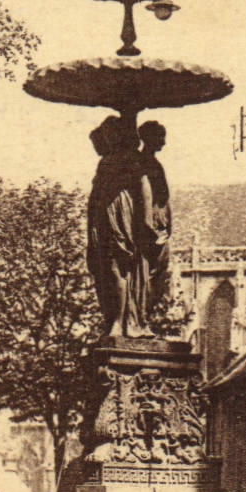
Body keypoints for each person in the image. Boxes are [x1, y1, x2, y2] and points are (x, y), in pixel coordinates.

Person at [86, 114, 152, 338]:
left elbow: (144, 186)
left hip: (121, 215)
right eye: (106, 135)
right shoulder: (105, 161)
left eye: (111, 134)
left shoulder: (129, 158)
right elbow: (95, 195)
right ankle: (116, 319)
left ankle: (121, 321)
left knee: (118, 267)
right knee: (106, 269)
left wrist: (146, 222)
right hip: (104, 216)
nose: (109, 138)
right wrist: (90, 231)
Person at [137, 120, 172, 314]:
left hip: (160, 227)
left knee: (158, 273)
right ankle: (141, 314)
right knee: (150, 273)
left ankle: (144, 314)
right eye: (161, 138)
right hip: (152, 229)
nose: (164, 143)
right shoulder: (143, 163)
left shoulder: (152, 163)